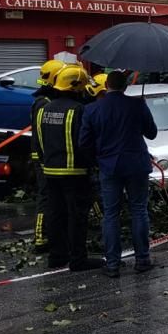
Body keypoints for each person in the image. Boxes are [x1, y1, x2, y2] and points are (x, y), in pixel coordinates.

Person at [80, 71, 158, 278]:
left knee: (111, 214)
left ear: (106, 85)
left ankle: (112, 264)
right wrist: (142, 110)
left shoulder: (92, 109)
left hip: (109, 166)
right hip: (136, 165)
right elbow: (152, 133)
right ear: (125, 87)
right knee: (139, 210)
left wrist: (98, 160)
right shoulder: (137, 105)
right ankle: (142, 260)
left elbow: (84, 143)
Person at [38, 66, 102, 272]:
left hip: (50, 170)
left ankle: (57, 256)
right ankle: (78, 259)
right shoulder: (78, 110)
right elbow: (84, 141)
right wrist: (92, 163)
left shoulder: (45, 108)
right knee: (77, 217)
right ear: (76, 87)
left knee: (56, 214)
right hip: (74, 172)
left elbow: (40, 141)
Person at [29, 59, 67, 253]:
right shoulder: (44, 104)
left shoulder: (45, 101)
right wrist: (45, 158)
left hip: (47, 156)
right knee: (45, 196)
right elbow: (40, 133)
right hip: (43, 158)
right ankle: (40, 238)